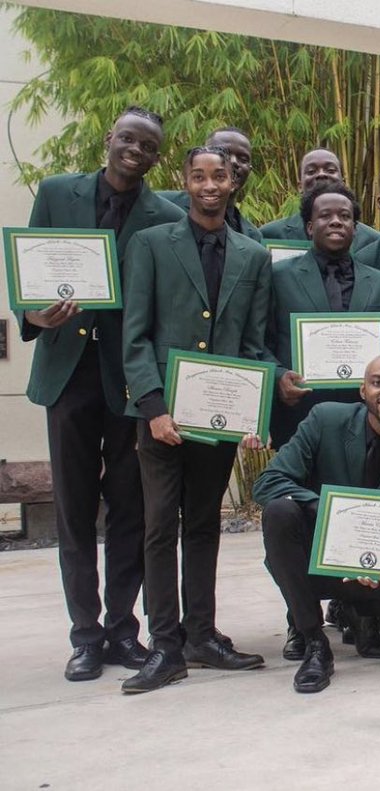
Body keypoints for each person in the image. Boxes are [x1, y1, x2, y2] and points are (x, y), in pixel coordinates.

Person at [19, 106, 185, 682]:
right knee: (72, 509)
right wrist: (34, 315)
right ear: (108, 138)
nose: (136, 150)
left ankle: (122, 630)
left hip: (129, 381)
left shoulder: (164, 214)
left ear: (158, 156)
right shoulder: (55, 193)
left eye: (149, 146)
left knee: (129, 513)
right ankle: (84, 635)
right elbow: (29, 273)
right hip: (67, 372)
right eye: (128, 139)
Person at [120, 145, 272, 692]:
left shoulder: (253, 256)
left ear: (234, 182)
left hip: (221, 419)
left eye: (220, 175)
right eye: (199, 175)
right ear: (184, 181)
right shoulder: (152, 245)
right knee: (160, 525)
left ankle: (201, 636)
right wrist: (154, 408)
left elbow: (254, 346)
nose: (210, 184)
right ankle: (165, 647)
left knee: (204, 523)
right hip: (163, 416)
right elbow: (134, 336)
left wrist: (255, 413)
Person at [252, 355, 380, 692]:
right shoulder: (325, 419)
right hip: (318, 562)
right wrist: (324, 510)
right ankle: (314, 639)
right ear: (363, 390)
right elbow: (268, 482)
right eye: (378, 382)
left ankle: (360, 611)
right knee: (279, 512)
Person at [263, 182, 380, 448]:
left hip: (367, 417)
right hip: (299, 415)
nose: (336, 221)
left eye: (345, 216)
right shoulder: (278, 277)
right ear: (310, 227)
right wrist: (278, 376)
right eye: (325, 215)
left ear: (355, 228)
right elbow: (257, 341)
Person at [260, 147, 379, 255]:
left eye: (330, 170)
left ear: (342, 181)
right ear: (299, 186)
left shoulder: (371, 240)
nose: (321, 174)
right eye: (311, 171)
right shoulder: (270, 234)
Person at [159, 127, 263, 242]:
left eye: (243, 159)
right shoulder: (161, 207)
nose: (233, 162)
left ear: (250, 169)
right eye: (223, 154)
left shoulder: (252, 236)